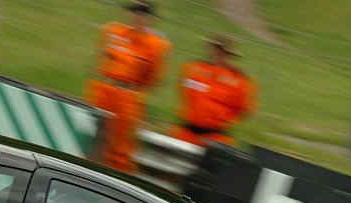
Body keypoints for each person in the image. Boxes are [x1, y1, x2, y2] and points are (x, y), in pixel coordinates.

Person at [86, 2, 171, 172]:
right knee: (90, 133)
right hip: (103, 88)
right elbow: (103, 57)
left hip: (128, 95)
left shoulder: (156, 44)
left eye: (142, 13)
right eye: (134, 12)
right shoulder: (113, 30)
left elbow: (154, 78)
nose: (137, 16)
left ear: (149, 18)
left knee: (121, 144)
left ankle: (117, 179)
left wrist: (130, 88)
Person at [172, 34, 256, 147]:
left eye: (224, 51)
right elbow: (184, 92)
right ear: (211, 48)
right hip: (187, 133)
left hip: (216, 138)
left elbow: (245, 109)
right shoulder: (193, 68)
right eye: (217, 48)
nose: (219, 53)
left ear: (230, 55)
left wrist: (220, 121)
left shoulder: (240, 81)